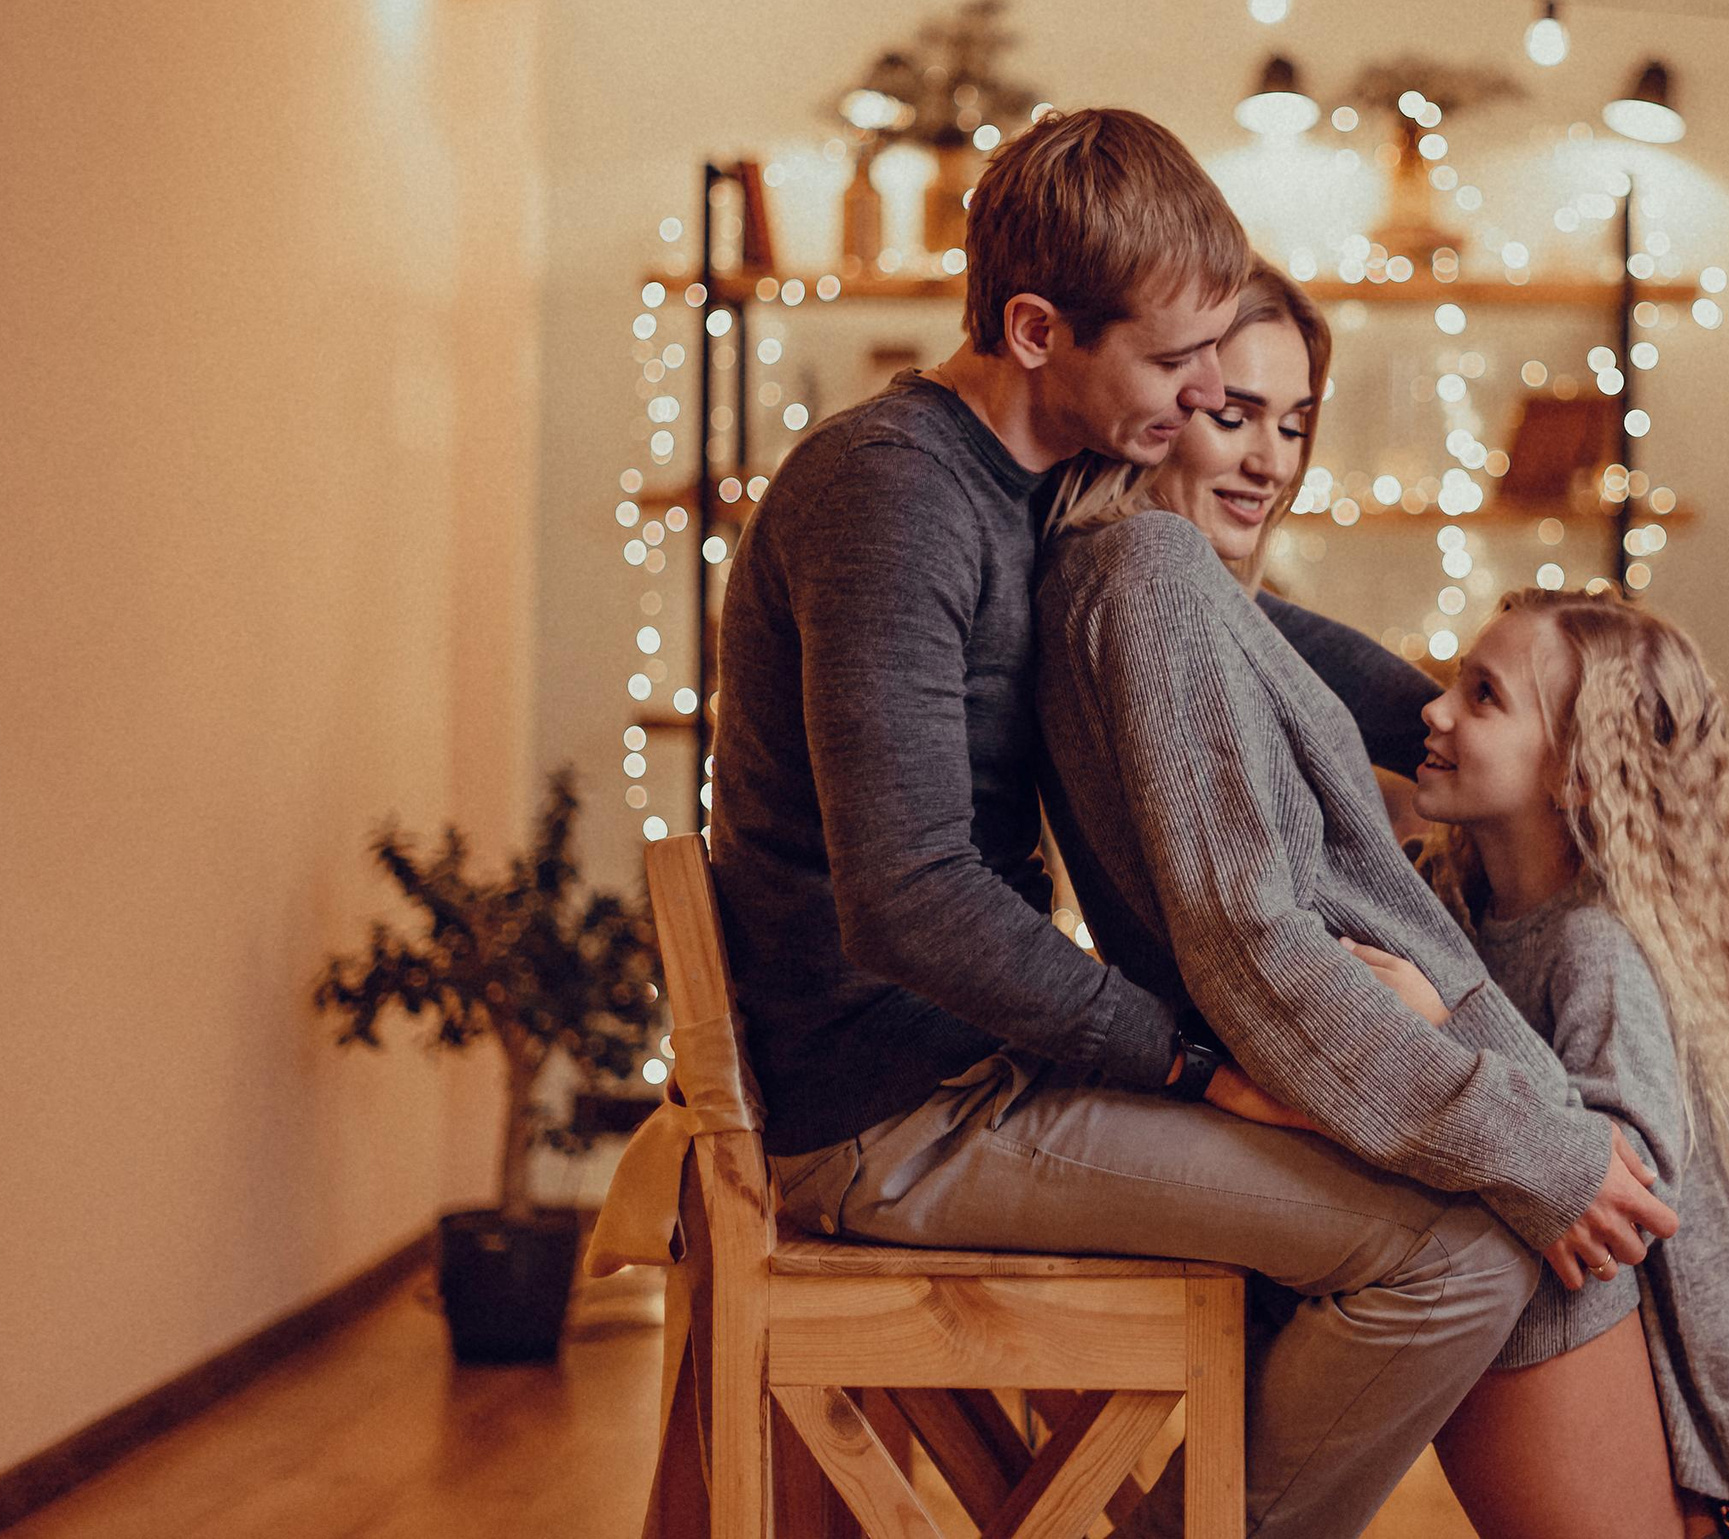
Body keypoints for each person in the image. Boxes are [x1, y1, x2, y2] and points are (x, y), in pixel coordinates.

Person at [710, 107, 1663, 1539]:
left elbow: (1260, 634)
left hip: (979, 1070)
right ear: (1036, 329)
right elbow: (904, 898)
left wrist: (1512, 737)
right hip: (896, 1114)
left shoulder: (1043, 483)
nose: (1212, 391)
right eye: (1176, 359)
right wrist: (1191, 1064)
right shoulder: (891, 492)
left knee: (1420, 1171)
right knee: (1457, 1250)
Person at [1039, 259, 1682, 1538]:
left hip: (1389, 1095)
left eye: (1294, 421)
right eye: (1235, 412)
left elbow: (1377, 712)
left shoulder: (1209, 603)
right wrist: (1526, 1138)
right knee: (1544, 1269)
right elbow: (1246, 939)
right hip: (1355, 1105)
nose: (1269, 459)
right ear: (1162, 400)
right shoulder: (1150, 577)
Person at [1413, 591, 1729, 1539]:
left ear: (1576, 777)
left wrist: (1450, 1017)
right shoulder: (1468, 904)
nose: (1434, 709)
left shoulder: (1595, 945)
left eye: (1483, 696)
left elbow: (1627, 1180)